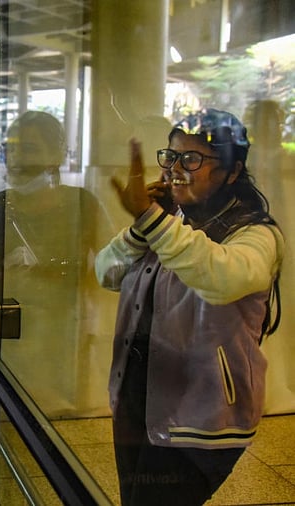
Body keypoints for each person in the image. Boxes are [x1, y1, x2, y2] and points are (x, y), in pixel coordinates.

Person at [95, 109, 285, 505]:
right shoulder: (169, 222)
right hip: (139, 397)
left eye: (192, 159)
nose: (175, 169)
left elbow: (222, 278)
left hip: (202, 415)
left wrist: (152, 220)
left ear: (232, 173)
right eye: (171, 156)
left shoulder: (255, 233)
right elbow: (105, 273)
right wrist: (141, 227)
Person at [0, 111, 114, 418]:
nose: (16, 159)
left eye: (30, 149)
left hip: (66, 359)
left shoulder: (83, 206)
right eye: (10, 148)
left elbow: (116, 272)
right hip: (6, 355)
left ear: (57, 154)